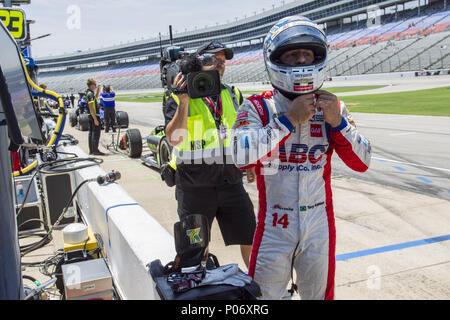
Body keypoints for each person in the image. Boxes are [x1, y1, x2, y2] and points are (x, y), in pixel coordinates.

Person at [231, 16, 372, 300]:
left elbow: (363, 162)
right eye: (293, 55)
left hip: (319, 222)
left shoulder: (334, 106)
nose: (302, 61)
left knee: (319, 296)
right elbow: (240, 155)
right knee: (261, 299)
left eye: (307, 54)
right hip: (274, 223)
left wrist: (339, 124)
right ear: (276, 59)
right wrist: (288, 120)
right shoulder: (258, 106)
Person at [163, 41, 256, 268]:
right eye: (215, 58)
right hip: (194, 186)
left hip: (230, 181)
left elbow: (241, 131)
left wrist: (249, 161)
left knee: (252, 238)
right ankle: (198, 291)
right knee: (195, 249)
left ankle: (261, 287)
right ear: (199, 62)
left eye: (224, 59)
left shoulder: (232, 93)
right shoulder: (176, 95)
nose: (222, 64)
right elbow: (175, 138)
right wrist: (184, 100)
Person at [85, 78, 105, 156]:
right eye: (95, 85)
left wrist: (98, 90)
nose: (95, 86)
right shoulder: (90, 94)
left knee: (91, 133)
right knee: (96, 134)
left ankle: (91, 150)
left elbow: (95, 97)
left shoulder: (89, 93)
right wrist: (95, 119)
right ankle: (95, 150)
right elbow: (91, 108)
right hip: (94, 116)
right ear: (91, 85)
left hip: (91, 116)